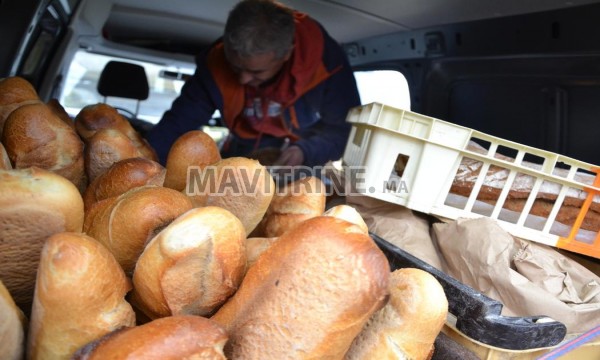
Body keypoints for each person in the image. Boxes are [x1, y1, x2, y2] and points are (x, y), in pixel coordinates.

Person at [145, 0, 361, 167]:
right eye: (236, 67)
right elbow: (178, 124)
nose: (243, 80)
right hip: (242, 141)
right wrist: (147, 161)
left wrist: (306, 150)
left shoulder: (327, 65)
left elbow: (345, 131)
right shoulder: (214, 63)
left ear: (287, 53)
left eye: (256, 72)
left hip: (300, 148)